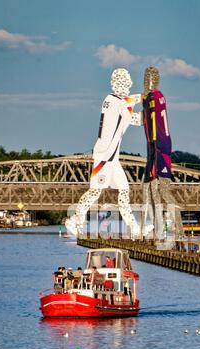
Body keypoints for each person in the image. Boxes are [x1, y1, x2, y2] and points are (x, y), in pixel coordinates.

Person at [65, 68, 153, 238]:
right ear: (118, 82)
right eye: (126, 81)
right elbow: (127, 102)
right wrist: (144, 95)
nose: (129, 83)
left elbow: (136, 119)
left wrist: (153, 110)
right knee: (95, 191)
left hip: (113, 159)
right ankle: (75, 219)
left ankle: (134, 227)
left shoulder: (121, 104)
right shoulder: (112, 100)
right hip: (104, 156)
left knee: (124, 191)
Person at [140, 66, 184, 241]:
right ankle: (148, 230)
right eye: (146, 78)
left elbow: (159, 125)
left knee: (163, 191)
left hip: (161, 147)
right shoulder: (147, 97)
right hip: (151, 148)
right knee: (146, 188)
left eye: (151, 79)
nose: (148, 82)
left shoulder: (157, 97)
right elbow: (144, 119)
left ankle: (178, 230)